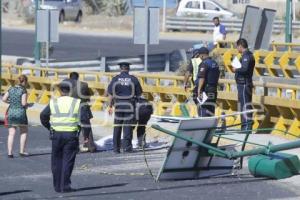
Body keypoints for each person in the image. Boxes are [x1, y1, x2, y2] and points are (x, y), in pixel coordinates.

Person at [40, 81, 87, 193]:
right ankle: (65, 186)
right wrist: (86, 136)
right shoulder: (77, 102)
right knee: (68, 161)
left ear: (60, 91)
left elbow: (43, 115)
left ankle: (57, 186)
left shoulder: (53, 102)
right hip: (71, 135)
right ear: (70, 91)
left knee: (56, 161)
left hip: (56, 134)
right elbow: (85, 120)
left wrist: (49, 127)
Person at [107, 62, 143, 153]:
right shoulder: (133, 79)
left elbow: (110, 94)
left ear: (120, 69)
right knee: (127, 126)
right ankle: (127, 148)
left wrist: (110, 106)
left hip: (118, 105)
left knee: (117, 127)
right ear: (128, 69)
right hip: (129, 106)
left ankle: (116, 148)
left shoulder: (115, 79)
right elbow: (139, 94)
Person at [66, 72, 96, 153]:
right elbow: (89, 96)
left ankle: (73, 148)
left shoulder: (66, 85)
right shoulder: (84, 84)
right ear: (78, 77)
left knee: (73, 129)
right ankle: (91, 146)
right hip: (83, 108)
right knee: (87, 128)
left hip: (72, 108)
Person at [2, 75, 29, 158]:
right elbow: (23, 103)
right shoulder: (23, 90)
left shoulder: (11, 88)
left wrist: (10, 102)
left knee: (11, 133)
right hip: (20, 113)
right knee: (23, 131)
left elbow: (3, 99)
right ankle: (21, 151)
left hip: (11, 112)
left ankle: (10, 153)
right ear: (24, 81)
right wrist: (28, 105)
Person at [233, 38, 255, 131]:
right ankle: (244, 126)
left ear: (240, 46)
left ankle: (246, 127)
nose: (237, 49)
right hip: (243, 83)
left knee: (245, 105)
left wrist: (236, 69)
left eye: (237, 47)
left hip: (244, 84)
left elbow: (245, 69)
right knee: (243, 105)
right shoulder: (245, 55)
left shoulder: (247, 56)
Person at [194, 47, 220, 117]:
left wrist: (199, 90)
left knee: (203, 108)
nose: (199, 58)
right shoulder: (215, 63)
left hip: (206, 90)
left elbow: (202, 78)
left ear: (202, 55)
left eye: (199, 56)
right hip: (213, 89)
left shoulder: (204, 63)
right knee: (211, 108)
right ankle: (210, 126)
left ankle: (203, 126)